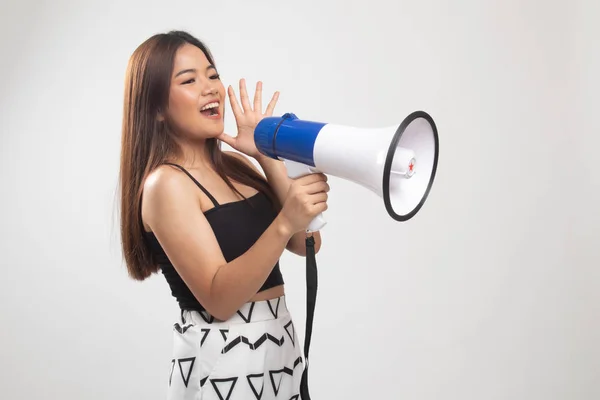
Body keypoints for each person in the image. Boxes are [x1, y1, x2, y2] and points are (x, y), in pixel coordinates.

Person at [118, 30, 329, 400]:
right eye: (189, 80)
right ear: (156, 108)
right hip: (224, 359)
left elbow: (305, 241)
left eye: (212, 74)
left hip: (278, 346)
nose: (210, 87)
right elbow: (219, 299)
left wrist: (266, 154)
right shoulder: (165, 184)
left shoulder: (232, 164)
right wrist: (284, 221)